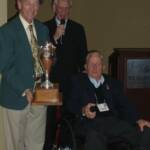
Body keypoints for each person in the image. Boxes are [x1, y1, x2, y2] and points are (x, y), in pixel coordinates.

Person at [66, 50, 150, 150]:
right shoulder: (77, 82)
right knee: (95, 136)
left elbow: (125, 104)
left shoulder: (113, 83)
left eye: (98, 64)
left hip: (113, 122)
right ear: (85, 67)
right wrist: (83, 110)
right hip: (89, 123)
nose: (95, 67)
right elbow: (70, 104)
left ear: (103, 67)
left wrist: (138, 119)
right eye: (91, 64)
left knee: (145, 130)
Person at [0, 0, 50, 150]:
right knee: (15, 145)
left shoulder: (42, 29)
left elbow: (47, 59)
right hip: (16, 97)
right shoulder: (6, 31)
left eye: (36, 4)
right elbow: (5, 67)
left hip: (40, 95)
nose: (33, 8)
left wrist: (51, 57)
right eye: (28, 3)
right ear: (19, 4)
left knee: (36, 143)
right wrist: (24, 89)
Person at [43, 0, 88, 149]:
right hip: (50, 82)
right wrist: (54, 38)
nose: (62, 11)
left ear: (70, 9)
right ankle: (48, 146)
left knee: (69, 117)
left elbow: (83, 58)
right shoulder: (44, 27)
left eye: (66, 8)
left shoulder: (78, 28)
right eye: (59, 7)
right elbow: (41, 55)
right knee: (49, 119)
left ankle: (65, 146)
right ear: (54, 8)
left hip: (71, 82)